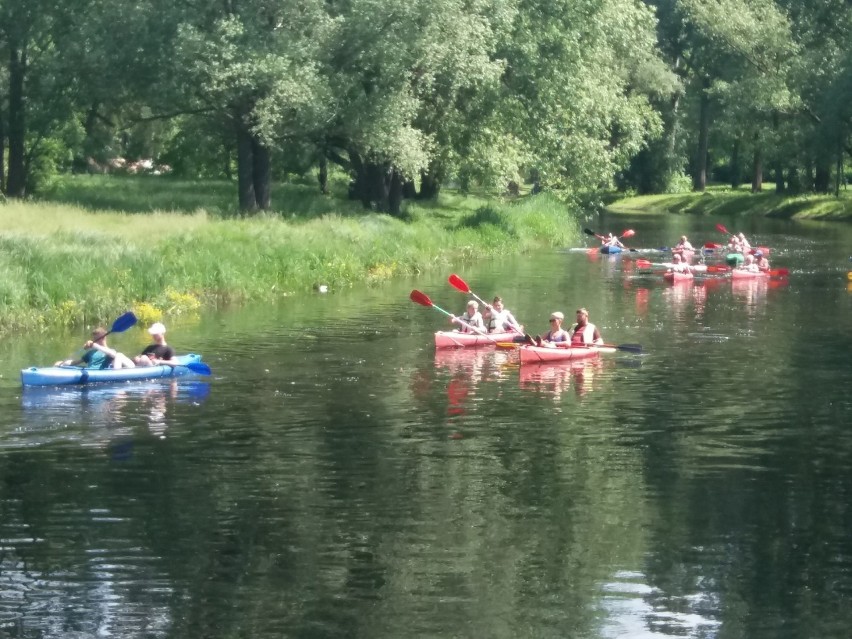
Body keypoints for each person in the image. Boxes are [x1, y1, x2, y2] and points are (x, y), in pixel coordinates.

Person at [55, 327, 135, 369]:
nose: (94, 341)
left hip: (101, 374)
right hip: (91, 371)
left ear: (103, 338)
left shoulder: (111, 351)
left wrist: (95, 346)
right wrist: (63, 363)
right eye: (94, 339)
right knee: (61, 363)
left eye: (96, 339)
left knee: (119, 355)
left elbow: (113, 355)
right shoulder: (91, 353)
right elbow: (75, 362)